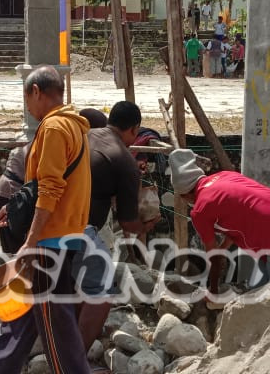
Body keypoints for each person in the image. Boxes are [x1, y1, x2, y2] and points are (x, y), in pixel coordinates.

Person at [0, 66, 92, 374]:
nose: (28, 107)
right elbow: (44, 188)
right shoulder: (74, 126)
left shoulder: (54, 127)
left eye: (27, 98)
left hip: (49, 240)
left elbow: (50, 188)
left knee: (57, 330)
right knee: (22, 316)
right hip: (63, 234)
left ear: (36, 92)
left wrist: (31, 241)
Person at [75, 101, 158, 356]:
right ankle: (74, 361)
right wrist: (146, 226)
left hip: (54, 219)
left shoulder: (88, 135)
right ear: (135, 129)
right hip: (80, 227)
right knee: (102, 293)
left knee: (77, 286)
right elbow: (127, 223)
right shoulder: (124, 160)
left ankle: (68, 345)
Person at [170, 149, 270, 293]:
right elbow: (239, 217)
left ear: (185, 196)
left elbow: (213, 258)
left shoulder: (200, 210)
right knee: (257, 293)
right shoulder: (225, 175)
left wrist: (213, 290)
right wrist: (223, 249)